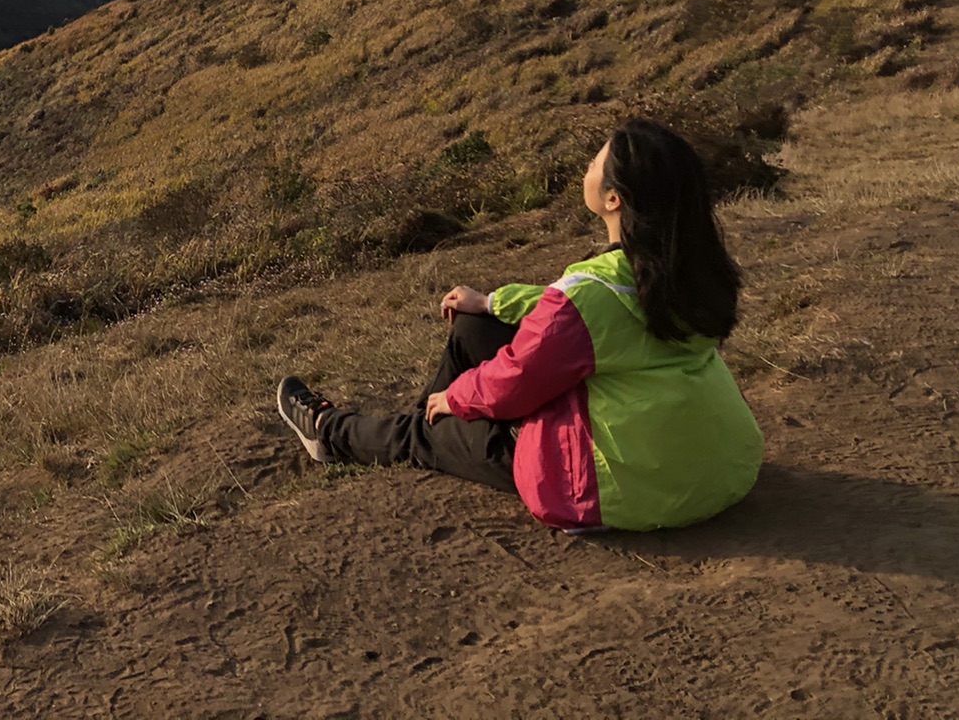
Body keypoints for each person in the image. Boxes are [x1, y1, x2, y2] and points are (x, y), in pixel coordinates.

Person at [275, 118, 764, 531]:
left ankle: (331, 434)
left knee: (430, 432)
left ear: (614, 199)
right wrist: (491, 303)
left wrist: (456, 398)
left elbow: (518, 379)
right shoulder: (686, 270)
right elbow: (580, 317)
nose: (587, 170)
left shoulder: (593, 291)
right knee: (473, 329)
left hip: (621, 485)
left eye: (595, 164)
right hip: (716, 465)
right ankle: (414, 423)